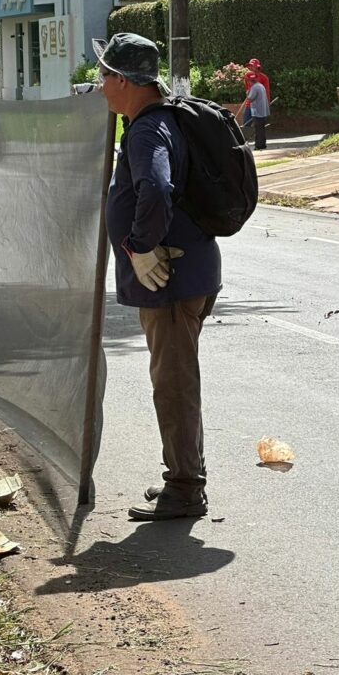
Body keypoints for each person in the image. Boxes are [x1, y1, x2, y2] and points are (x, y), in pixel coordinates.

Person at [94, 33, 222, 521]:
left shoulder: (147, 130)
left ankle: (185, 488)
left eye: (104, 75)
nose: (100, 85)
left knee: (173, 385)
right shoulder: (164, 120)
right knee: (178, 379)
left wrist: (140, 247)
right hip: (188, 274)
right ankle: (184, 474)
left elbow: (156, 185)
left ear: (123, 81)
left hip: (169, 280)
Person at [241, 57, 270, 126]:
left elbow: (267, 92)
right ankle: (246, 136)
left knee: (259, 126)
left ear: (257, 67)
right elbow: (247, 89)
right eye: (250, 66)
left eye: (253, 66)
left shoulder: (264, 78)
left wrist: (267, 103)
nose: (251, 68)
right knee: (246, 124)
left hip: (260, 105)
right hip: (250, 104)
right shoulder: (247, 76)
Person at [246, 73, 269, 151]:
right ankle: (263, 145)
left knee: (258, 130)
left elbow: (250, 98)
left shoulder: (254, 87)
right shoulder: (260, 85)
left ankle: (258, 146)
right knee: (261, 129)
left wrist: (247, 93)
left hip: (258, 112)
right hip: (263, 112)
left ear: (250, 81)